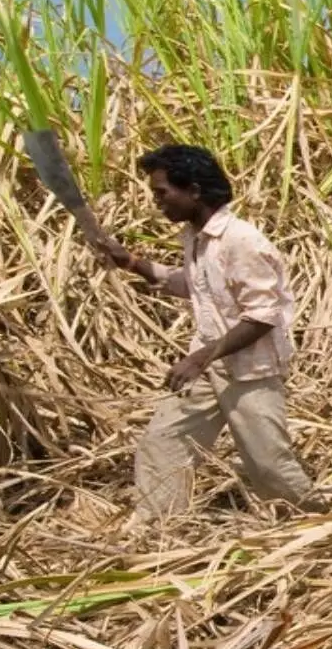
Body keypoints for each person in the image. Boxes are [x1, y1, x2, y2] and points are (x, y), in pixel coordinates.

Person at [96, 144, 320, 518]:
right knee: (163, 441)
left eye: (162, 192)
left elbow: (263, 315)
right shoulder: (195, 239)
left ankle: (317, 520)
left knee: (269, 467)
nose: (157, 202)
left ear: (194, 191)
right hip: (210, 365)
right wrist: (132, 263)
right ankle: (158, 527)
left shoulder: (242, 241)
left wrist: (201, 356)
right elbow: (195, 285)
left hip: (250, 371)